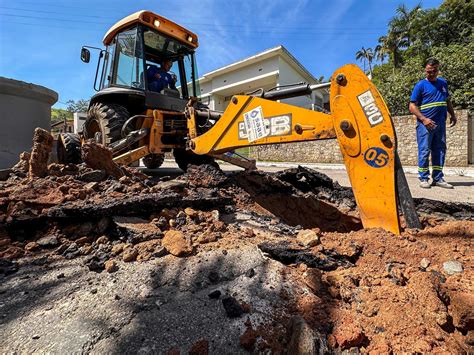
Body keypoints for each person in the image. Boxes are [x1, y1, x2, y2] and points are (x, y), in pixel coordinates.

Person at [409, 58, 457, 189]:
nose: (430, 73)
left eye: (433, 71)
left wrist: (452, 114)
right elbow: (412, 106)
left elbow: (447, 101)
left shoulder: (443, 83)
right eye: (428, 71)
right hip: (425, 125)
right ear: (425, 70)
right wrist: (424, 119)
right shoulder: (420, 85)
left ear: (438, 69)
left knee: (439, 150)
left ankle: (438, 178)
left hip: (440, 124)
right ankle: (423, 178)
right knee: (424, 150)